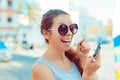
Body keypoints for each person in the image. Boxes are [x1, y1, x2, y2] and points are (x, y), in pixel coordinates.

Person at [32, 9, 101, 80]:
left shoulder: (75, 59)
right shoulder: (40, 68)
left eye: (72, 28)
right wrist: (87, 75)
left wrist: (84, 58)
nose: (70, 33)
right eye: (62, 28)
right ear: (46, 34)